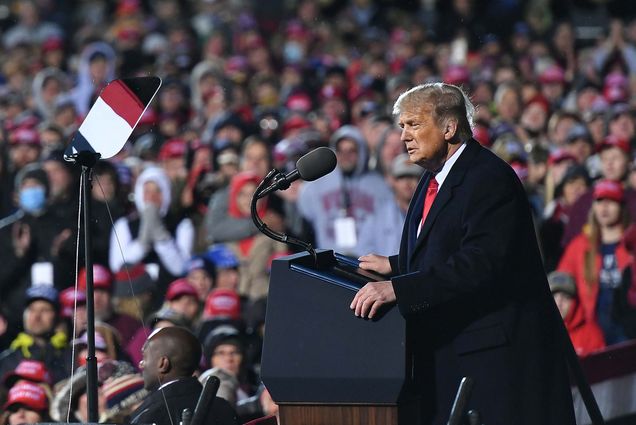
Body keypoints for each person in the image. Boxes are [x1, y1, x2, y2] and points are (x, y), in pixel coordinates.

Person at [350, 83, 575, 424]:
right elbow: (448, 247)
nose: (404, 136)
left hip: (493, 364)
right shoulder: (432, 177)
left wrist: (400, 287)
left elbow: (480, 262)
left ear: (449, 127)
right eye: (402, 127)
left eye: (414, 124)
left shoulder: (488, 178)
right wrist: (397, 265)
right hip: (453, 355)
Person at [129, 326, 239, 425]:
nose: (141, 364)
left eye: (144, 357)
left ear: (163, 364)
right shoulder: (223, 407)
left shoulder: (151, 414)